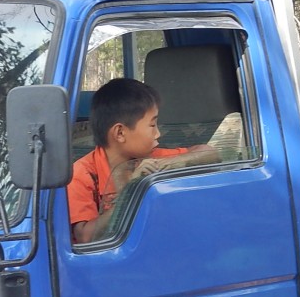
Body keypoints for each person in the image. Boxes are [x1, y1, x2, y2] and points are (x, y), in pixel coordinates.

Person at [66, 78, 219, 243]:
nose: (158, 134)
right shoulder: (82, 174)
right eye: (152, 125)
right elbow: (85, 236)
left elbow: (210, 153)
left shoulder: (150, 159)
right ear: (120, 133)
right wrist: (132, 192)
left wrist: (170, 163)